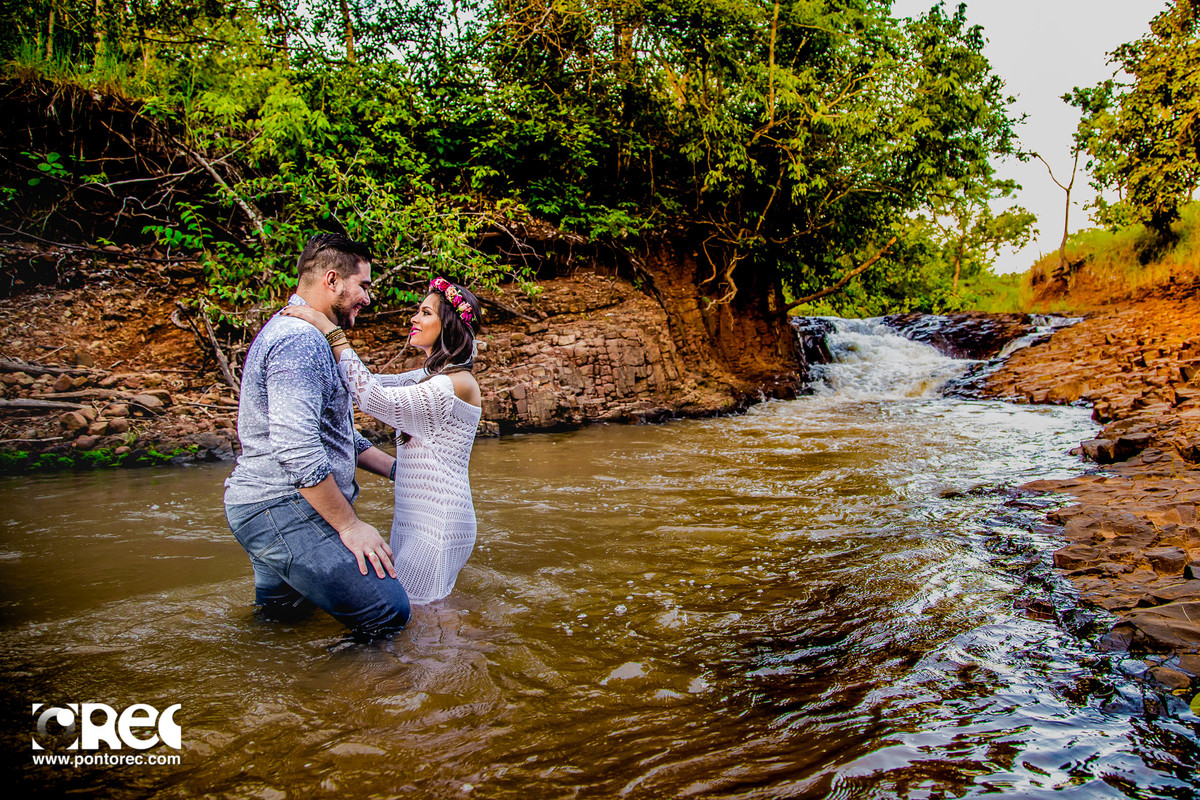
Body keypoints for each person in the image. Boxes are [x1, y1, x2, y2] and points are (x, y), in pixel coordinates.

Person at [223, 233, 410, 638]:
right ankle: (347, 700)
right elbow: (297, 447)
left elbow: (337, 436)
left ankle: (274, 698)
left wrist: (403, 472)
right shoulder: (300, 341)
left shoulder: (305, 335)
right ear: (333, 280)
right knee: (387, 612)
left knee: (283, 625)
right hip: (281, 506)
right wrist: (349, 525)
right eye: (364, 286)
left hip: (270, 505)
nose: (368, 298)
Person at [281, 277, 482, 605]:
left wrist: (333, 334)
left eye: (425, 313)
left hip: (438, 520)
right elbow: (370, 382)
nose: (414, 319)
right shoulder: (429, 377)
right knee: (425, 610)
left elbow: (372, 398)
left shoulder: (454, 385)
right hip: (418, 514)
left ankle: (463, 653)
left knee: (420, 613)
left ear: (449, 325)